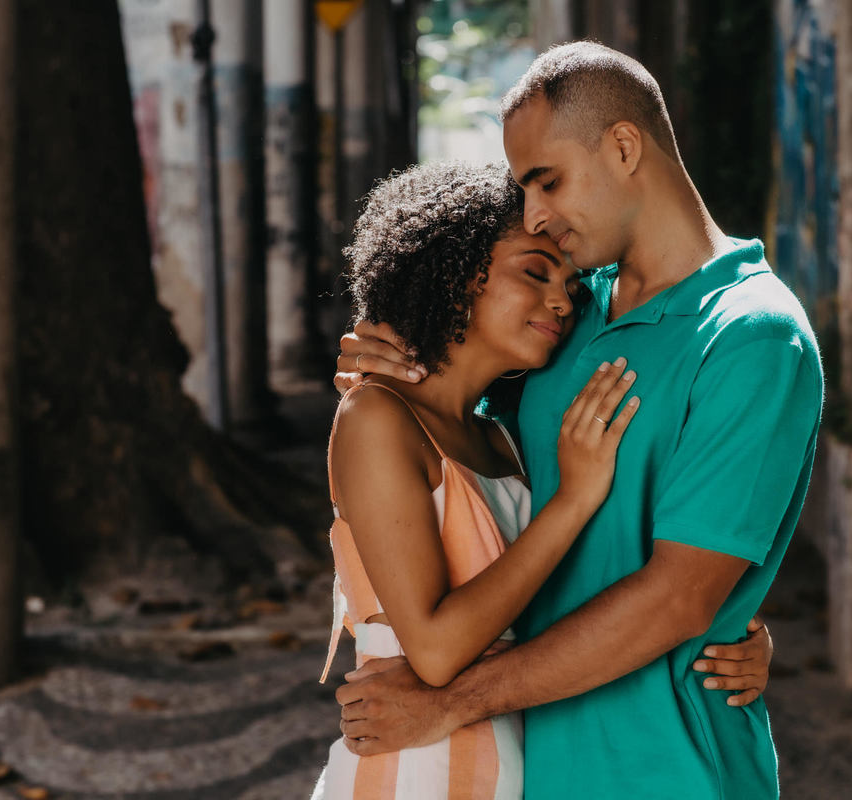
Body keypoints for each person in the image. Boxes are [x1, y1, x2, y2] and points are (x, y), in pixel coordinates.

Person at [333, 42, 822, 799]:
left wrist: (450, 702)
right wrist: (388, 358)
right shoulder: (568, 313)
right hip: (531, 765)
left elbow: (677, 597)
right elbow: (448, 442)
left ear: (625, 145)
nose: (535, 215)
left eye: (548, 180)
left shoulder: (752, 337)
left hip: (670, 770)